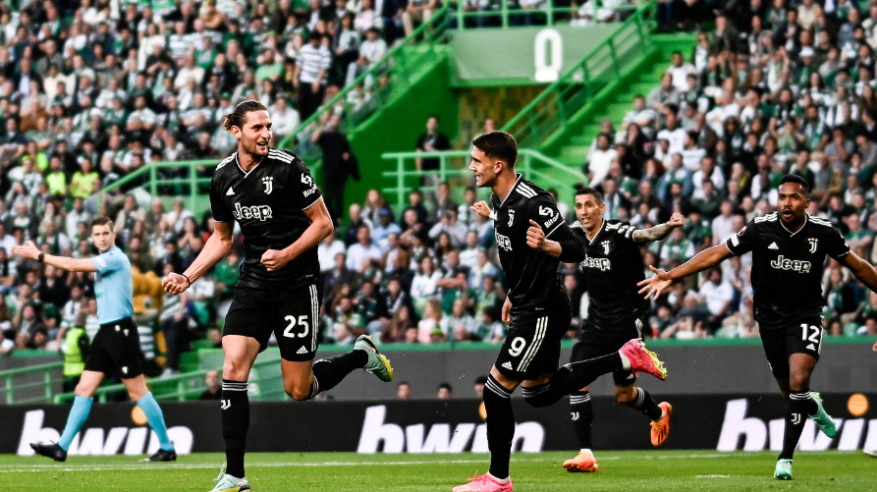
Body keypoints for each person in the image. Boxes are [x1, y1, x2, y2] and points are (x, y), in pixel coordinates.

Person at [162, 100, 393, 492]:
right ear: (235, 131)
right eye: (257, 127)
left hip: (297, 284)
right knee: (233, 365)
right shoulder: (222, 177)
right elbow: (222, 239)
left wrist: (287, 253)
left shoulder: (289, 168)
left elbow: (324, 224)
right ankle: (235, 475)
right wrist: (188, 275)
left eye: (268, 125)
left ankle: (361, 356)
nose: (266, 133)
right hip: (254, 282)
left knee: (298, 390)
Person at [455, 132, 667, 492]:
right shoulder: (497, 198)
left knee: (495, 390)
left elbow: (575, 248)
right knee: (539, 394)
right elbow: (517, 255)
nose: (472, 167)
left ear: (498, 165)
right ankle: (624, 357)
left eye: (477, 160)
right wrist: (513, 293)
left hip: (541, 309)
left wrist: (548, 245)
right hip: (527, 301)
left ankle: (498, 480)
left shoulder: (535, 201)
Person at [639, 175, 877, 480]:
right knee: (791, 393)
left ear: (807, 202)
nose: (786, 203)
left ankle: (785, 459)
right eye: (782, 197)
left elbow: (860, 267)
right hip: (768, 319)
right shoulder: (761, 227)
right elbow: (716, 253)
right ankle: (812, 406)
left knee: (799, 378)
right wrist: (672, 274)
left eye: (794, 197)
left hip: (806, 315)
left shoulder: (824, 232)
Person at [20, 216, 177, 463]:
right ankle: (61, 447)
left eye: (106, 233)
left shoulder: (115, 258)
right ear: (92, 238)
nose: (102, 238)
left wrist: (39, 255)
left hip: (121, 332)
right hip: (106, 332)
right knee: (83, 389)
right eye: (97, 234)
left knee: (137, 392)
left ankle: (166, 447)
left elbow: (72, 266)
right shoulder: (105, 260)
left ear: (113, 235)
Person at [562, 187, 683, 472]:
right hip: (595, 323)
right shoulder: (574, 233)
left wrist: (668, 226)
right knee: (575, 378)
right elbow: (544, 237)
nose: (583, 211)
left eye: (589, 205)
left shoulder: (617, 231)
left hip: (627, 324)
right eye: (579, 206)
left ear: (601, 208)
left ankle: (658, 413)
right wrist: (496, 215)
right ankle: (585, 453)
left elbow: (646, 234)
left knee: (624, 395)